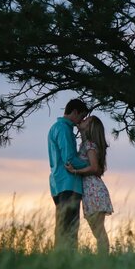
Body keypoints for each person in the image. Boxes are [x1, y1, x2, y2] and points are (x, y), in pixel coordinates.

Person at [66, 115, 113, 253]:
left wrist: (75, 171)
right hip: (92, 191)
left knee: (98, 232)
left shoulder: (89, 145)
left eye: (87, 120)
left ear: (90, 127)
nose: (83, 119)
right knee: (98, 231)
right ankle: (103, 261)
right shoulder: (87, 144)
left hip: (93, 191)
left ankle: (104, 261)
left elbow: (93, 167)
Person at [47, 98, 90, 250]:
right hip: (69, 183)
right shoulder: (64, 129)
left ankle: (60, 261)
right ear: (75, 112)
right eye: (82, 116)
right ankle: (67, 261)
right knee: (70, 227)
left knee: (62, 226)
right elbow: (69, 159)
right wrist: (91, 165)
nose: (82, 120)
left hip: (57, 183)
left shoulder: (56, 127)